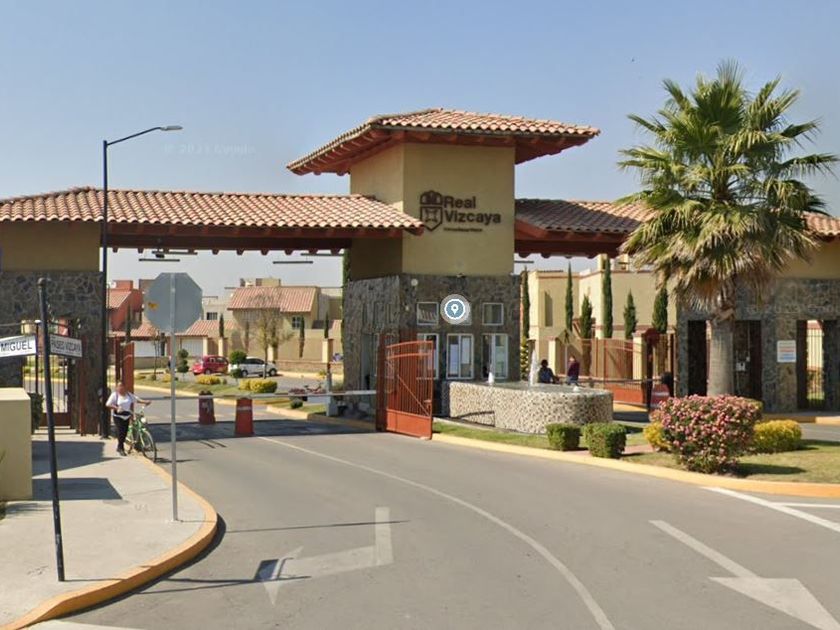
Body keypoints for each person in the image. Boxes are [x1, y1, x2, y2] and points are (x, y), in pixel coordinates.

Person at [105, 381, 151, 456]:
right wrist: (116, 408)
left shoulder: (128, 395)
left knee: (125, 432)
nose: (121, 388)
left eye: (122, 386)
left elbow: (136, 400)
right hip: (118, 416)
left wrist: (145, 402)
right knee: (121, 432)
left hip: (126, 416)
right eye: (119, 386)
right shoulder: (115, 395)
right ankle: (121, 448)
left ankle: (119, 446)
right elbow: (108, 404)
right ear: (117, 387)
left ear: (124, 387)